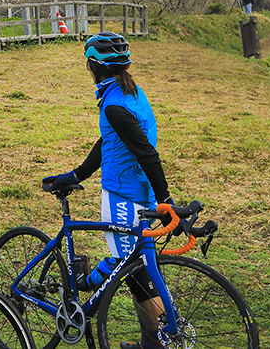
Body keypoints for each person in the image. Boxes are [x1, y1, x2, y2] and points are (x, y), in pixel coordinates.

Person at [41, 33, 178, 349]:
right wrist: (77, 174)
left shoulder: (115, 104)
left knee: (135, 271)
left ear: (93, 66)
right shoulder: (129, 92)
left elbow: (145, 152)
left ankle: (148, 341)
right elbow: (111, 142)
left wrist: (166, 199)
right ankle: (150, 343)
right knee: (136, 271)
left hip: (123, 196)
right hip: (136, 191)